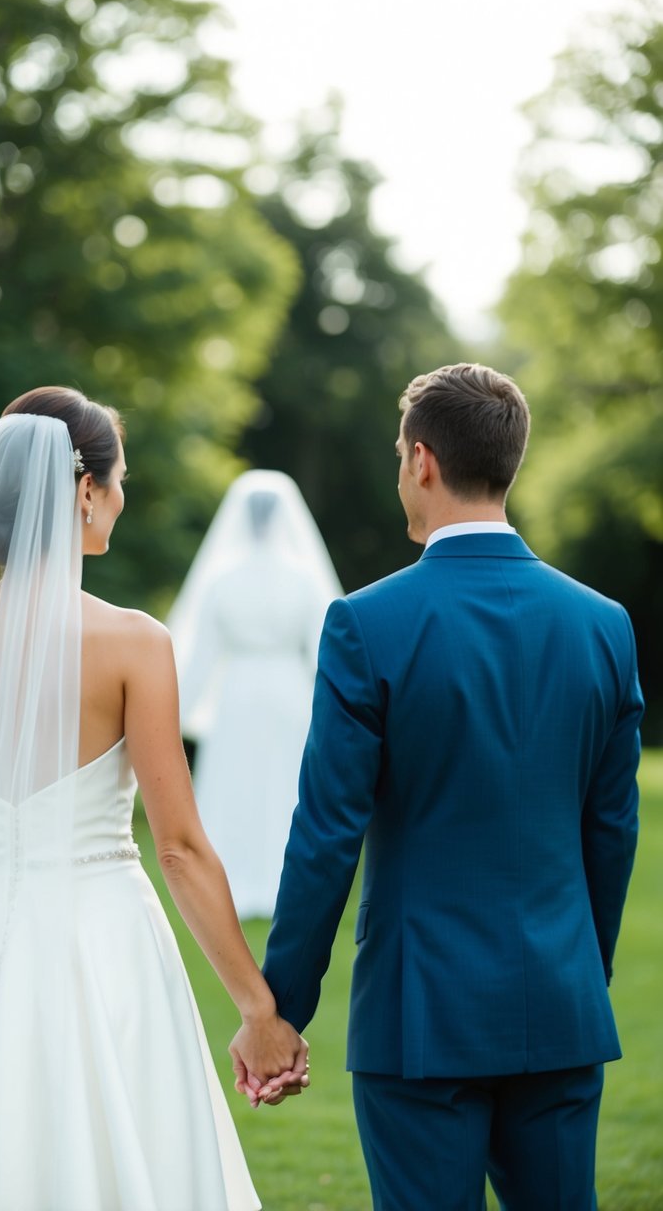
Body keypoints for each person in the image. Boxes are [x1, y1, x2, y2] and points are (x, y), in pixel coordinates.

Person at [0, 387, 307, 1211]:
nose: (123, 499)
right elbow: (179, 848)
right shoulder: (134, 643)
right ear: (84, 490)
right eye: (119, 479)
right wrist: (259, 1011)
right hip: (106, 943)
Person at [237, 364, 643, 1209]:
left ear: (421, 461)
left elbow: (325, 836)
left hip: (419, 1019)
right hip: (560, 1009)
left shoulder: (365, 623)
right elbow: (612, 830)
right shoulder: (604, 625)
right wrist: (578, 967)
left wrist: (281, 1012)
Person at [168, 470, 341, 917]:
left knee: (239, 784)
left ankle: (232, 884)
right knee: (284, 788)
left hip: (238, 695)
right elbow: (324, 654)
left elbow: (201, 658)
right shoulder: (303, 578)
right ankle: (285, 882)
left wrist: (171, 716)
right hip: (290, 694)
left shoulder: (221, 578)